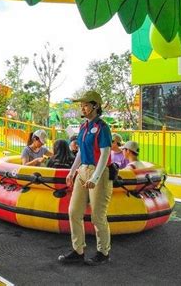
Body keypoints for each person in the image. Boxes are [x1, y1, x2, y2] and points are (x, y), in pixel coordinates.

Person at [58, 90, 113, 266]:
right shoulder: (84, 126)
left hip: (100, 172)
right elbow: (81, 151)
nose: (82, 107)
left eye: (85, 104)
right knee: (74, 212)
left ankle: (103, 253)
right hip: (83, 171)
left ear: (95, 106)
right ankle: (78, 250)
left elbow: (105, 154)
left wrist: (96, 178)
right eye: (81, 105)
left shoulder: (103, 128)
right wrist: (72, 171)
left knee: (98, 216)